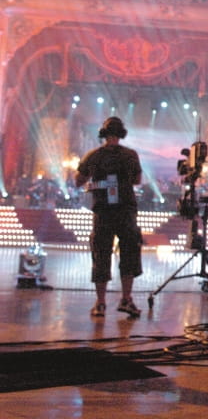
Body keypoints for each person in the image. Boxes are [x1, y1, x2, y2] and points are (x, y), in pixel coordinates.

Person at [75, 117, 143, 318]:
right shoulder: (130, 155)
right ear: (121, 134)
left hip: (103, 212)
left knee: (101, 254)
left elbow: (78, 181)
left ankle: (101, 303)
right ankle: (126, 299)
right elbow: (137, 180)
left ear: (103, 134)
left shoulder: (93, 156)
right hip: (126, 212)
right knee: (129, 254)